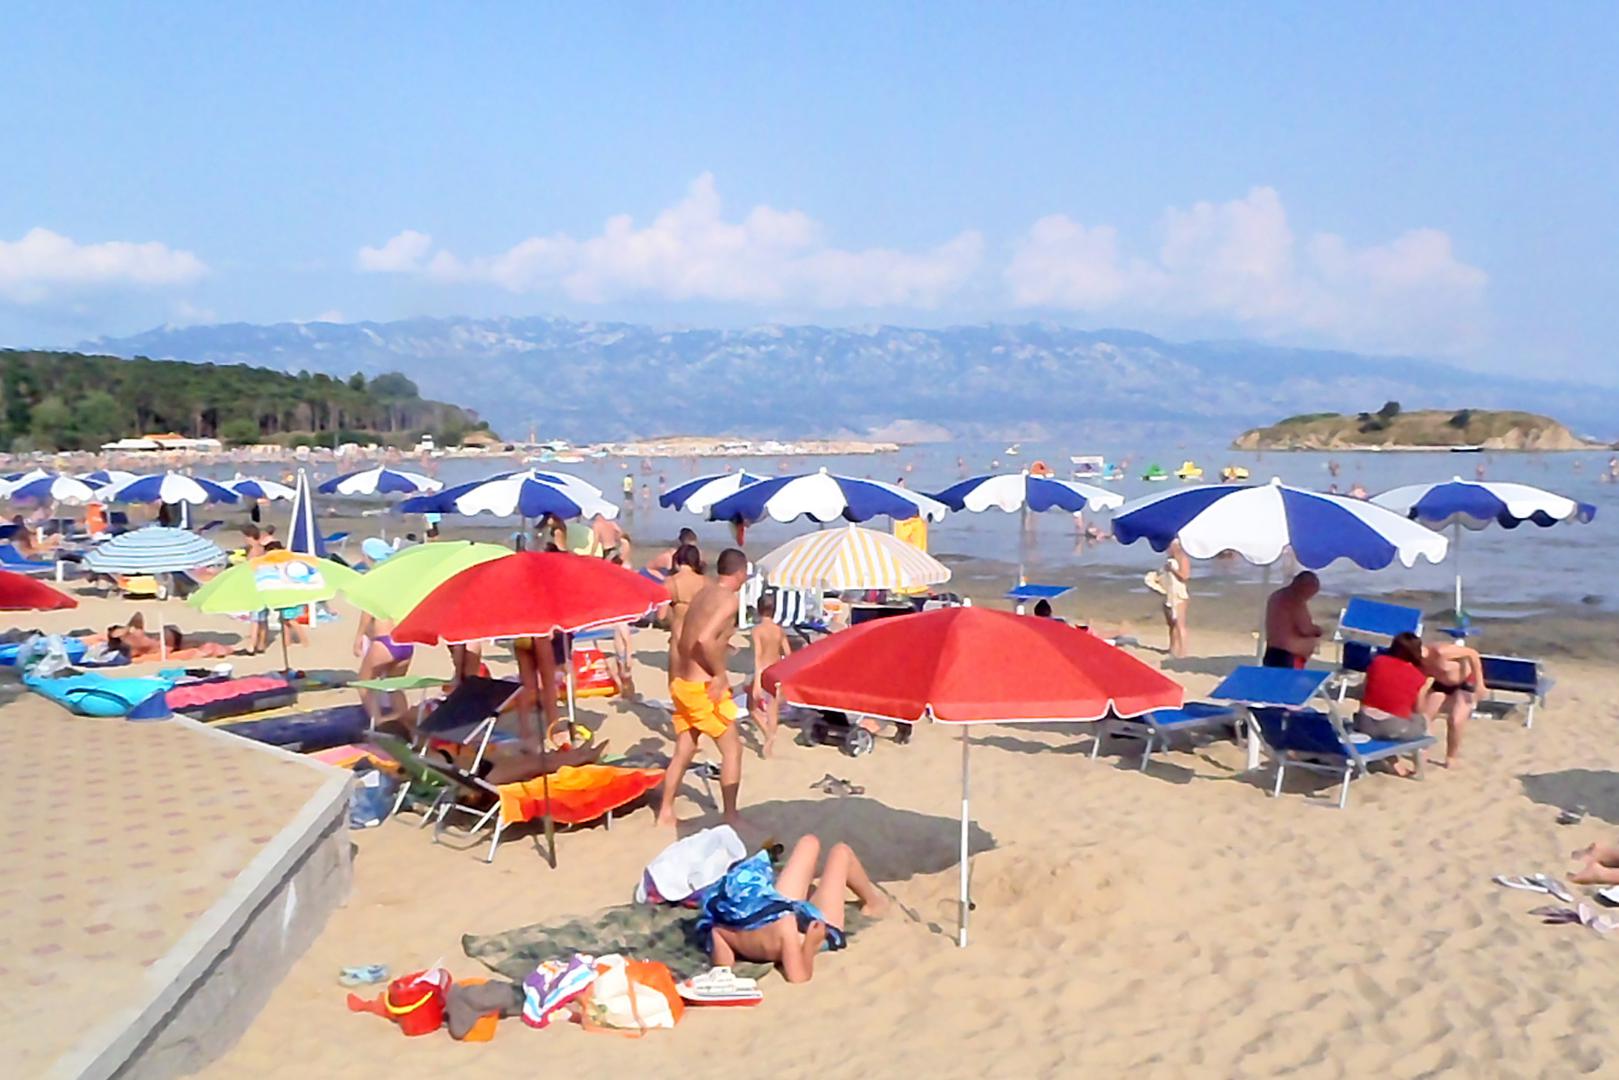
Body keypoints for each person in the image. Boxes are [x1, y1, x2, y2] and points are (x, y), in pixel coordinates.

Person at [704, 835, 887, 984]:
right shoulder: (786, 925)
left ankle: (812, 890)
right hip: (809, 927)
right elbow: (798, 976)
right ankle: (873, 903)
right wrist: (811, 943)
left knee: (809, 842)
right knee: (841, 853)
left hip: (772, 912)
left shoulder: (725, 926)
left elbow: (723, 965)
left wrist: (724, 968)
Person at [657, 547, 749, 828]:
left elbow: (689, 636)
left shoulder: (703, 593)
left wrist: (722, 646)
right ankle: (731, 816)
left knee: (684, 750)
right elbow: (705, 640)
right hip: (702, 688)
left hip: (682, 683)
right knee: (733, 750)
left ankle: (665, 813)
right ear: (741, 573)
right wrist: (719, 674)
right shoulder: (727, 599)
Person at [1353, 632, 1432, 775]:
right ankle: (1419, 768)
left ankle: (1394, 762)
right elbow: (1418, 709)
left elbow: (1362, 692)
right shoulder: (1418, 676)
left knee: (1386, 724)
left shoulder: (1377, 662)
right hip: (1392, 728)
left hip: (1364, 723)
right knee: (1422, 721)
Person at [1420, 636, 1486, 767]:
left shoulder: (1441, 651)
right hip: (1441, 684)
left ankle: (1451, 756)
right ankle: (1423, 750)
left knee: (1455, 721)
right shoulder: (1415, 662)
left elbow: (1472, 653)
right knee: (1424, 718)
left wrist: (1480, 683)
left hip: (1465, 681)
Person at [355, 611, 414, 727]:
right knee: (394, 685)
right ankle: (402, 719)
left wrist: (359, 636)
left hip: (384, 641)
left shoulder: (376, 594)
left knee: (363, 683)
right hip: (406, 642)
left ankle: (378, 721)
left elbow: (367, 612)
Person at [750, 592, 791, 757]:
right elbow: (788, 654)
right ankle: (770, 741)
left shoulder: (757, 630)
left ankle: (768, 734)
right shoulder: (779, 631)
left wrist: (757, 682)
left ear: (759, 610)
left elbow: (757, 657)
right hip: (777, 670)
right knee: (772, 710)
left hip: (763, 670)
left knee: (752, 707)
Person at [663, 542, 706, 681]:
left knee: (675, 681)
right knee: (695, 680)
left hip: (678, 631)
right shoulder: (705, 582)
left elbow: (661, 614)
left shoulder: (670, 582)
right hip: (698, 633)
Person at [1263, 571, 1322, 668]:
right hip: (1289, 655)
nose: (1309, 597)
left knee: (1273, 681)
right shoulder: (1295, 600)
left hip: (1272, 651)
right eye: (1311, 593)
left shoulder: (1276, 596)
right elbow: (1305, 629)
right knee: (1289, 682)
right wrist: (1318, 630)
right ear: (1305, 587)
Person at [1160, 539, 1190, 658]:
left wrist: (1172, 569)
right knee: (1171, 623)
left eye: (1169, 547)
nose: (1167, 550)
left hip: (1179, 594)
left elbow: (1185, 576)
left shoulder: (1183, 558)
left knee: (1179, 624)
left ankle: (1183, 651)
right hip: (1168, 593)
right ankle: (1172, 648)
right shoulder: (1169, 560)